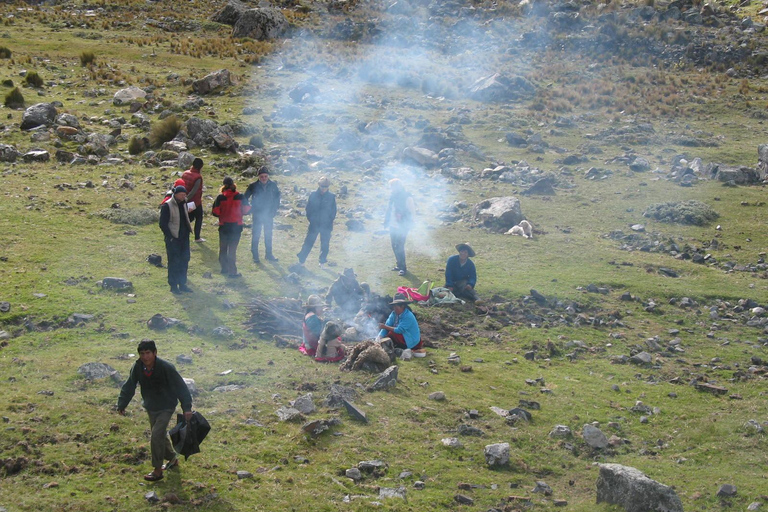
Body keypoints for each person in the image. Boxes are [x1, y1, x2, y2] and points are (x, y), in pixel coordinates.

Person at [116, 340, 193, 482]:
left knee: (156, 435)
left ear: (155, 353)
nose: (145, 357)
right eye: (142, 354)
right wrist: (122, 404)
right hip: (151, 407)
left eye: (148, 353)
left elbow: (180, 387)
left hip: (166, 406)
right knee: (160, 435)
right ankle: (172, 458)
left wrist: (187, 407)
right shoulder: (138, 367)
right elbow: (129, 385)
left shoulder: (166, 367)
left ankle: (157, 470)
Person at [211, 177, 251, 277]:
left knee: (223, 249)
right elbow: (247, 210)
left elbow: (215, 212)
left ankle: (224, 269)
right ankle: (232, 272)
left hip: (224, 227)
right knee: (232, 250)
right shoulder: (240, 196)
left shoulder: (220, 198)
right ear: (234, 184)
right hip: (236, 227)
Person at [297, 176, 337, 269]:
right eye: (322, 186)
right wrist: (311, 219)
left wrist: (329, 221)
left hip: (326, 225)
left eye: (326, 187)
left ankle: (322, 262)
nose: (324, 189)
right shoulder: (313, 195)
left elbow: (333, 211)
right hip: (314, 224)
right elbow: (308, 209)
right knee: (308, 242)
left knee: (325, 244)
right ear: (319, 185)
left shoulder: (331, 197)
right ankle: (301, 260)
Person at [159, 185, 193, 294]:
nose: (184, 196)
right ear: (176, 194)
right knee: (174, 262)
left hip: (184, 237)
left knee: (184, 260)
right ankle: (173, 286)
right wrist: (170, 237)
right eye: (182, 194)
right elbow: (162, 224)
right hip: (174, 239)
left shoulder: (184, 203)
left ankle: (182, 284)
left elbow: (186, 219)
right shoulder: (167, 205)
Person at [244, 166, 280, 263]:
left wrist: (275, 209)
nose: (264, 178)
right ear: (258, 177)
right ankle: (255, 255)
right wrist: (249, 209)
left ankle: (269, 254)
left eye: (265, 176)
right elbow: (245, 197)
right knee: (256, 234)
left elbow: (277, 197)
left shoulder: (273, 185)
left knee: (268, 234)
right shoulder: (253, 186)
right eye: (262, 177)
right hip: (257, 214)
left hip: (269, 214)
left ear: (268, 176)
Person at [384, 178, 415, 277]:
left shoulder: (407, 197)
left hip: (403, 225)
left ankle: (403, 268)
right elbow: (389, 209)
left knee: (400, 246)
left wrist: (409, 223)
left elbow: (412, 212)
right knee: (394, 245)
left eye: (393, 187)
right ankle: (399, 264)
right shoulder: (392, 196)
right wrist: (386, 221)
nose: (391, 189)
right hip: (393, 224)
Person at [378, 293, 425, 357]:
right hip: (400, 336)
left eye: (396, 306)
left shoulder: (408, 316)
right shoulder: (393, 314)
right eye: (393, 306)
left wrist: (385, 327)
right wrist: (380, 336)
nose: (394, 308)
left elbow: (399, 330)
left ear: (402, 306)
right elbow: (387, 325)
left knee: (391, 333)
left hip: (410, 339)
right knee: (387, 334)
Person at [181, 157, 205, 242]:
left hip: (184, 200)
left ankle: (181, 231)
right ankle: (197, 237)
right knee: (199, 218)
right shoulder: (198, 177)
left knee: (189, 217)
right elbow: (194, 191)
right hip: (195, 202)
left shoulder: (185, 173)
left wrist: (183, 199)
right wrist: (187, 199)